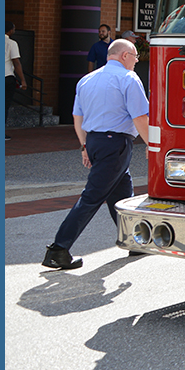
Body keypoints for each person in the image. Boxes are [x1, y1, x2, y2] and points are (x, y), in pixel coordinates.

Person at [42, 38, 150, 270]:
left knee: (121, 192)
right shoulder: (128, 78)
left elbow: (77, 118)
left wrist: (84, 147)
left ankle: (133, 240)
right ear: (124, 56)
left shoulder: (86, 80)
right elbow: (140, 117)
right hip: (116, 142)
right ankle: (59, 249)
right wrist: (153, 145)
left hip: (94, 140)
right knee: (92, 196)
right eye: (135, 57)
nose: (136, 61)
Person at [5, 22, 27, 140]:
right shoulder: (11, 43)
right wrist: (23, 80)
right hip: (6, 77)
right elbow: (16, 62)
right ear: (10, 30)